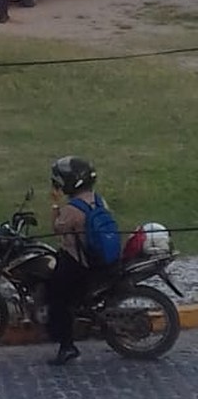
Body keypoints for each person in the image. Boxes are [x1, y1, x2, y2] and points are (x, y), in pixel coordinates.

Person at [47, 156, 113, 366]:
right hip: (98, 259)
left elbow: (56, 227)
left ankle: (67, 346)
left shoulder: (72, 210)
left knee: (56, 298)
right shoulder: (99, 199)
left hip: (79, 263)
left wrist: (55, 202)